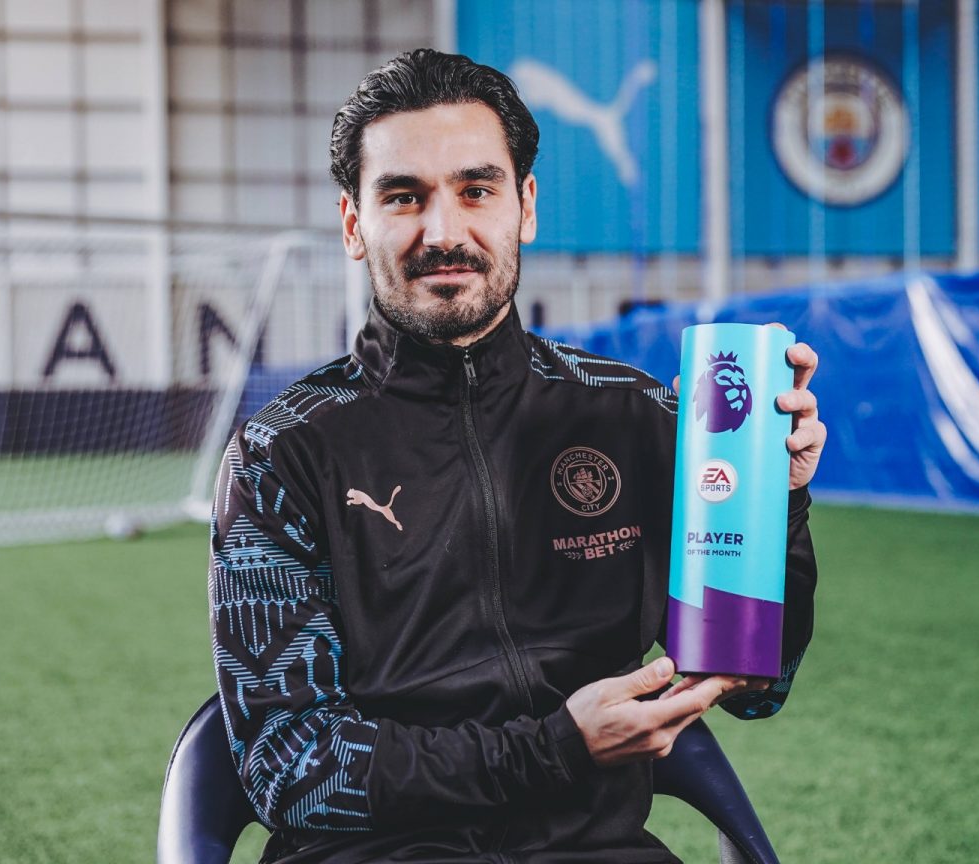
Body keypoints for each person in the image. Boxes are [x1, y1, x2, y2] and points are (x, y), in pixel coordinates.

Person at [208, 49, 824, 864]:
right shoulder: (282, 453)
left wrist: (773, 504)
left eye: (476, 190)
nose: (443, 233)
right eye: (403, 196)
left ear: (524, 207)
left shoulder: (634, 415)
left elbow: (757, 687)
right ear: (354, 224)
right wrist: (557, 748)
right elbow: (288, 766)